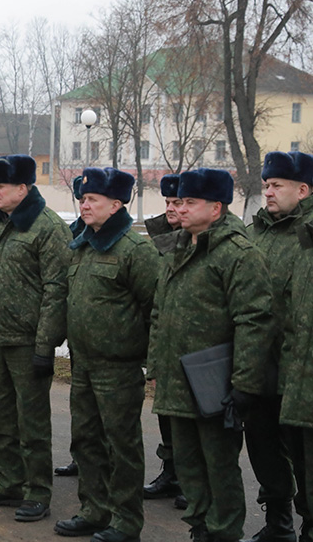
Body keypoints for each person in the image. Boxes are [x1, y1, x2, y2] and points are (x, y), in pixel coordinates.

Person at [148, 168, 273, 542]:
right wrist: (155, 365)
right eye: (179, 202)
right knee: (187, 463)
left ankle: (223, 532)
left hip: (215, 383)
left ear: (216, 208)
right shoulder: (180, 247)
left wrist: (244, 384)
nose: (180, 210)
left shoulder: (238, 253)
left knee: (218, 465)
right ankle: (200, 526)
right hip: (178, 379)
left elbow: (255, 320)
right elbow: (160, 311)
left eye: (190, 203)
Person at [54, 167, 160, 542]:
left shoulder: (136, 251)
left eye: (92, 200)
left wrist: (153, 363)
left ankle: (126, 521)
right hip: (83, 364)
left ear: (116, 205)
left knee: (122, 446)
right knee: (85, 440)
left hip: (118, 368)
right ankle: (94, 509)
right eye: (82, 199)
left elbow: (155, 308)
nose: (84, 205)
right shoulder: (82, 246)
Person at [0, 155, 69, 522]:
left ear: (23, 189)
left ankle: (37, 491)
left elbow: (56, 291)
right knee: (1, 417)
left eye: (0, 187)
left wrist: (45, 347)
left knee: (32, 422)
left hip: (27, 343)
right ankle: (8, 481)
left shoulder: (47, 228)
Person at [244, 151, 313, 542]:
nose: (267, 192)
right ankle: (277, 523)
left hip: (299, 366)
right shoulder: (256, 232)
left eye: (277, 186)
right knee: (263, 445)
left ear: (302, 190)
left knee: (304, 458)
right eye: (266, 185)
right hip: (258, 362)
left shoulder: (309, 232)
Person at [142, 173, 185, 509]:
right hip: (162, 338)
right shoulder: (160, 239)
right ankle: (170, 472)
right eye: (167, 203)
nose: (170, 209)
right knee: (164, 414)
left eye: (177, 203)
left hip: (191, 343)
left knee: (189, 418)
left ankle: (187, 479)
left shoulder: (193, 239)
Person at [281, 176, 313, 542]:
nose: (269, 192)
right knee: (300, 468)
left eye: (277, 184)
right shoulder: (303, 237)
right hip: (291, 373)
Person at [56, 174, 84, 479]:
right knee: (80, 401)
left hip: (112, 346)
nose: (84, 204)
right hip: (78, 337)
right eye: (81, 199)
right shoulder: (73, 235)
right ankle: (81, 456)